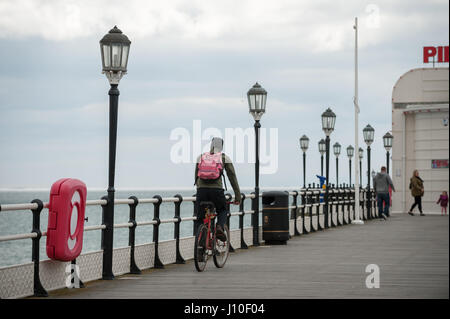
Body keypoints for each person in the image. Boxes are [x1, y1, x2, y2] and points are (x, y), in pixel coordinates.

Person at [194, 137, 241, 241]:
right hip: (217, 191)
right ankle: (219, 227)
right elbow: (232, 177)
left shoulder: (201, 157)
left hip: (201, 191)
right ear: (221, 147)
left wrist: (200, 190)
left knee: (200, 218)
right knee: (222, 210)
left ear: (211, 145)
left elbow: (196, 177)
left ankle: (200, 247)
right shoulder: (224, 158)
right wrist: (238, 196)